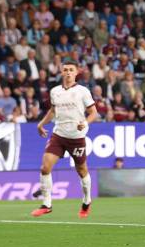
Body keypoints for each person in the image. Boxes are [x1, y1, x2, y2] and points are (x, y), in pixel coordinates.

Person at [31, 60, 98, 218]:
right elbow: (53, 111)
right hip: (58, 135)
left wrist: (85, 122)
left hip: (76, 137)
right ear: (62, 72)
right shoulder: (55, 91)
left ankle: (87, 200)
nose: (68, 72)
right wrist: (40, 124)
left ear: (76, 73)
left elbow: (94, 113)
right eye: (65, 70)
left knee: (82, 171)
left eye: (71, 70)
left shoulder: (83, 91)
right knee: (45, 168)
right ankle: (47, 204)